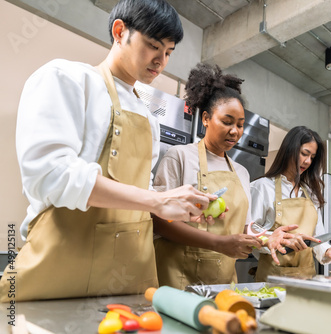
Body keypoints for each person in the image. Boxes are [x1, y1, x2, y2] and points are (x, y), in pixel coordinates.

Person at [0, 0, 216, 302]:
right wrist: (157, 200)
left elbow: (141, 193)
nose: (161, 61)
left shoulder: (149, 121)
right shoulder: (68, 79)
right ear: (119, 31)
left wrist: (179, 206)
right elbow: (50, 175)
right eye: (153, 46)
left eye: (168, 53)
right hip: (59, 270)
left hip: (127, 279)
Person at [153, 63, 263, 290]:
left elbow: (244, 229)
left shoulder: (241, 172)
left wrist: (269, 238)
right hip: (179, 279)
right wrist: (220, 244)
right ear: (205, 118)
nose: (235, 131)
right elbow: (159, 222)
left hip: (224, 283)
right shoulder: (180, 157)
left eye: (240, 125)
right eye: (227, 122)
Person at [250, 126, 331, 282]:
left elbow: (317, 237)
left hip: (307, 279)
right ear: (289, 150)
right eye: (304, 154)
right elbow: (250, 233)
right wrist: (274, 239)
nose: (308, 161)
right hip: (273, 279)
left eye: (312, 157)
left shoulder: (310, 193)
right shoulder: (262, 187)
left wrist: (328, 250)